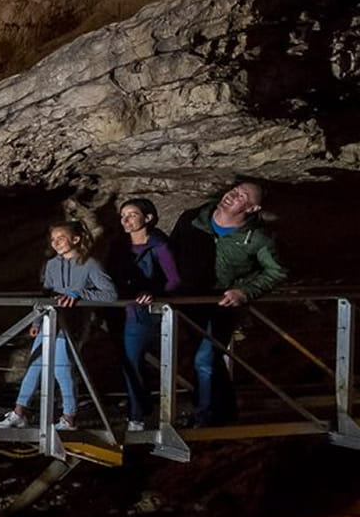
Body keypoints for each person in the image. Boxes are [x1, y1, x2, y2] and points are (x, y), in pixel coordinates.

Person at [168, 179, 287, 426]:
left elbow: (276, 272)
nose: (233, 196)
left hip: (223, 305)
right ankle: (223, 413)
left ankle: (205, 417)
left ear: (253, 208)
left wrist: (245, 291)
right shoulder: (192, 218)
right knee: (204, 360)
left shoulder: (257, 239)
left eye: (243, 196)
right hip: (189, 301)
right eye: (234, 190)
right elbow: (171, 253)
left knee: (205, 359)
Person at [0, 221, 118, 432]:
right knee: (33, 367)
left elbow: (110, 294)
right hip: (48, 323)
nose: (55, 243)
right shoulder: (52, 265)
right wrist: (35, 321)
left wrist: (79, 295)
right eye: (53, 239)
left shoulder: (90, 264)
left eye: (61, 238)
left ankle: (69, 417)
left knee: (62, 369)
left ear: (76, 239)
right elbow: (46, 295)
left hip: (72, 326)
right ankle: (19, 413)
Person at [107, 197, 180, 432]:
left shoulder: (159, 246)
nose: (125, 220)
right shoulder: (119, 246)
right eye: (122, 216)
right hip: (120, 311)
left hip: (143, 313)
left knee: (133, 362)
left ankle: (137, 417)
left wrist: (153, 292)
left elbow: (174, 280)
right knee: (129, 362)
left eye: (132, 215)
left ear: (148, 218)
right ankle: (142, 408)